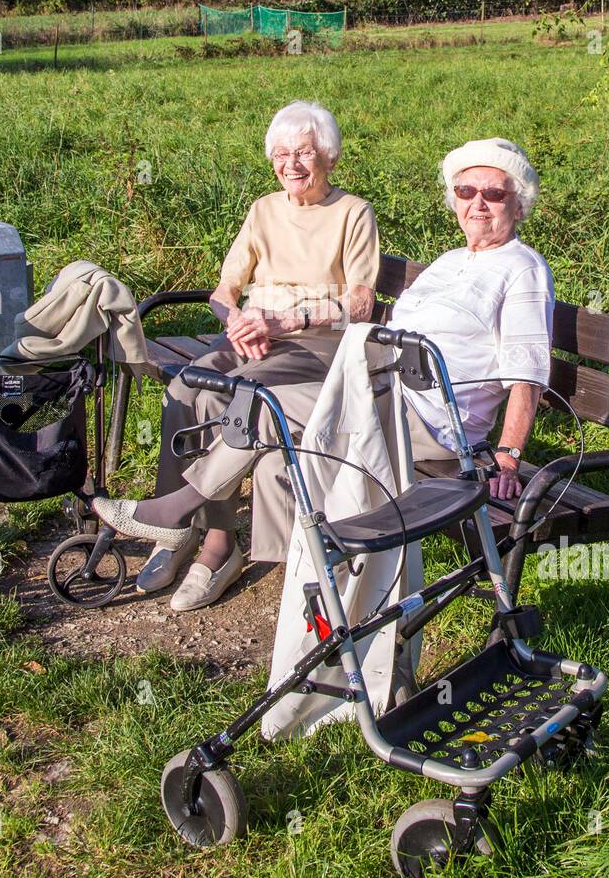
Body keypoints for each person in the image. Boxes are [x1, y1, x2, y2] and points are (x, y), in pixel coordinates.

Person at [93, 100, 380, 610]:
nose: (291, 164)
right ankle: (186, 535)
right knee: (187, 388)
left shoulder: (353, 213)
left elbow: (361, 303)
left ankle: (212, 543)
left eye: (305, 152)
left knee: (230, 398)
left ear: (329, 158)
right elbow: (224, 290)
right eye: (281, 154)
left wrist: (287, 320)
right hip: (250, 334)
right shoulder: (264, 209)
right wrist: (237, 323)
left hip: (313, 343)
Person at [388, 137, 553, 500]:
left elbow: (528, 373)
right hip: (386, 393)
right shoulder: (449, 260)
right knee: (277, 435)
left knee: (271, 410)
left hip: (431, 421)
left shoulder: (523, 268)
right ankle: (303, 556)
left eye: (493, 194)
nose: (477, 202)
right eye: (465, 190)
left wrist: (508, 457)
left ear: (519, 206)